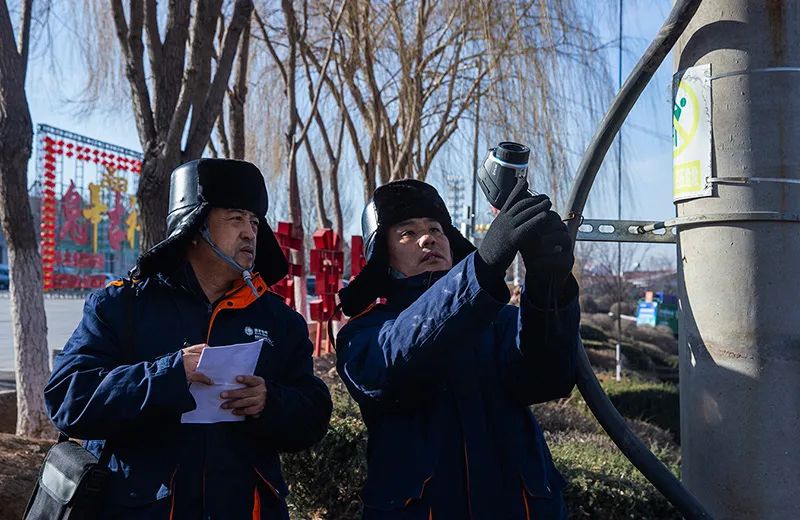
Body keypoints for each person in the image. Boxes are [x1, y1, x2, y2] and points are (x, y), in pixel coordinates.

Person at [45, 159, 332, 519]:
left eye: (255, 222)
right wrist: (168, 375)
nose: (249, 232)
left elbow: (314, 414)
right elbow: (67, 399)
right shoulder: (122, 306)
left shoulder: (280, 321)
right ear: (194, 227)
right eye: (235, 219)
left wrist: (269, 401)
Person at [336, 178, 580, 519]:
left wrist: (548, 286)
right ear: (383, 258)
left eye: (436, 229)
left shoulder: (500, 320)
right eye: (407, 232)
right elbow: (396, 360)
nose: (428, 238)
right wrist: (481, 269)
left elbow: (548, 380)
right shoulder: (364, 333)